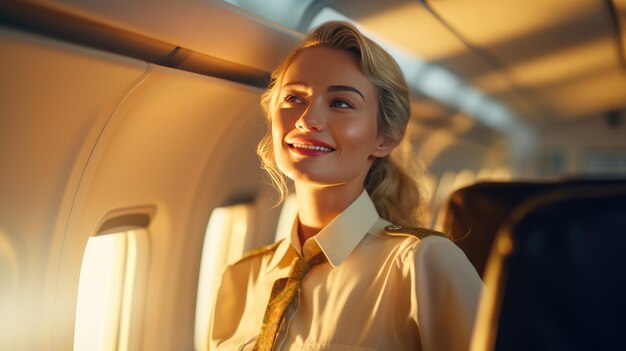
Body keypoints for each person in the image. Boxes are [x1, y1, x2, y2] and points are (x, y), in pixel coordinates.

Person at [209, 21, 483, 351]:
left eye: (340, 103)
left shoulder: (421, 263)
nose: (307, 119)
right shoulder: (242, 277)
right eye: (294, 97)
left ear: (385, 138)